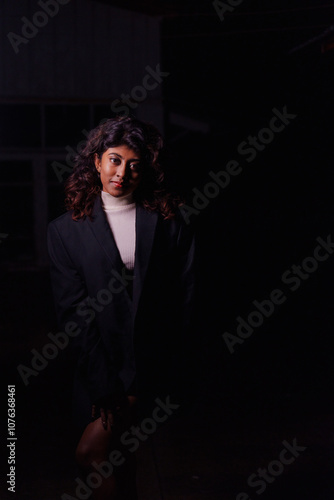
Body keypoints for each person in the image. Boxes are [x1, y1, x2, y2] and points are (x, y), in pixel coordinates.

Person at [47, 116, 196, 499]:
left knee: (91, 452)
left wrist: (170, 363)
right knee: (116, 457)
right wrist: (102, 382)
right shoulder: (65, 230)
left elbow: (184, 297)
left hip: (149, 366)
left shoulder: (168, 223)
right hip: (96, 368)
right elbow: (73, 313)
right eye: (114, 160)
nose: (121, 172)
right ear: (96, 162)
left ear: (145, 169)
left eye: (134, 164)